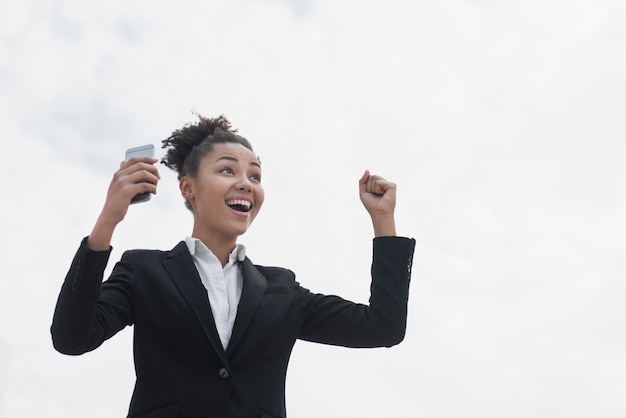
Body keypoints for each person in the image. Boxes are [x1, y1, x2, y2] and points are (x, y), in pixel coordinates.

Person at [51, 114, 416, 418]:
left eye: (255, 176)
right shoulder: (143, 270)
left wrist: (384, 221)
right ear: (187, 188)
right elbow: (71, 338)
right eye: (228, 171)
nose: (245, 183)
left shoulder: (282, 290)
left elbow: (383, 327)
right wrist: (107, 222)